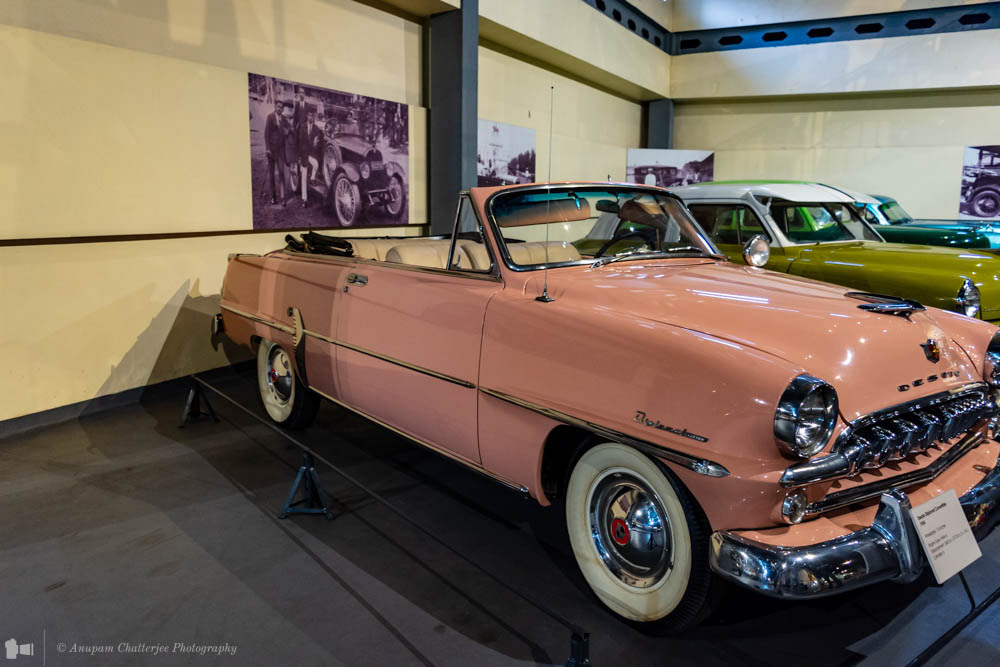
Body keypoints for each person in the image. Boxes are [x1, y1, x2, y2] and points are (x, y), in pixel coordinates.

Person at [297, 108, 322, 207]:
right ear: (307, 116)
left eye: (312, 116)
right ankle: (304, 199)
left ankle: (312, 178)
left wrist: (317, 139)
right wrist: (299, 157)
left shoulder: (316, 128)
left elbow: (320, 136)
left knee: (316, 164)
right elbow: (299, 142)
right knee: (303, 176)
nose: (310, 117)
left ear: (314, 117)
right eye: (309, 115)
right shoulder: (302, 126)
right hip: (303, 154)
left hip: (311, 154)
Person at [263, 99, 284, 204]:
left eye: (281, 107)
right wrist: (267, 149)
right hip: (271, 151)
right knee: (271, 175)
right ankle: (273, 197)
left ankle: (283, 197)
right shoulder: (270, 117)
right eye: (278, 106)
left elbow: (289, 128)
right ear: (275, 107)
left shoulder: (283, 119)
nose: (279, 109)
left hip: (280, 152)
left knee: (281, 173)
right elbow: (266, 134)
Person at [280, 101, 297, 206]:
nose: (289, 110)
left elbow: (293, 131)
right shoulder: (282, 119)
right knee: (284, 171)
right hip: (283, 146)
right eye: (288, 108)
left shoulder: (291, 118)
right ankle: (283, 196)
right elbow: (285, 132)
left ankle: (290, 190)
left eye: (291, 108)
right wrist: (291, 128)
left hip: (291, 145)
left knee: (291, 168)